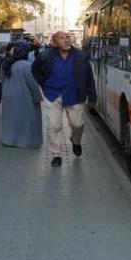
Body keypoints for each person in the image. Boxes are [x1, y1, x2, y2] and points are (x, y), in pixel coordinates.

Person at [32, 31, 97, 167]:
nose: (66, 40)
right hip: (52, 95)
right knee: (54, 126)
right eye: (62, 38)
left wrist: (92, 96)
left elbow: (89, 77)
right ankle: (56, 155)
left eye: (67, 37)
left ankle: (76, 140)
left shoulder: (80, 56)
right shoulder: (46, 56)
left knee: (77, 124)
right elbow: (35, 69)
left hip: (74, 95)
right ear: (55, 43)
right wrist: (42, 83)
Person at [0, 40, 43, 148]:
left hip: (8, 96)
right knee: (26, 119)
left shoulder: (6, 64)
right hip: (24, 97)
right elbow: (32, 84)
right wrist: (37, 97)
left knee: (10, 119)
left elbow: (2, 79)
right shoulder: (27, 66)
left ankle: (9, 139)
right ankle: (24, 141)